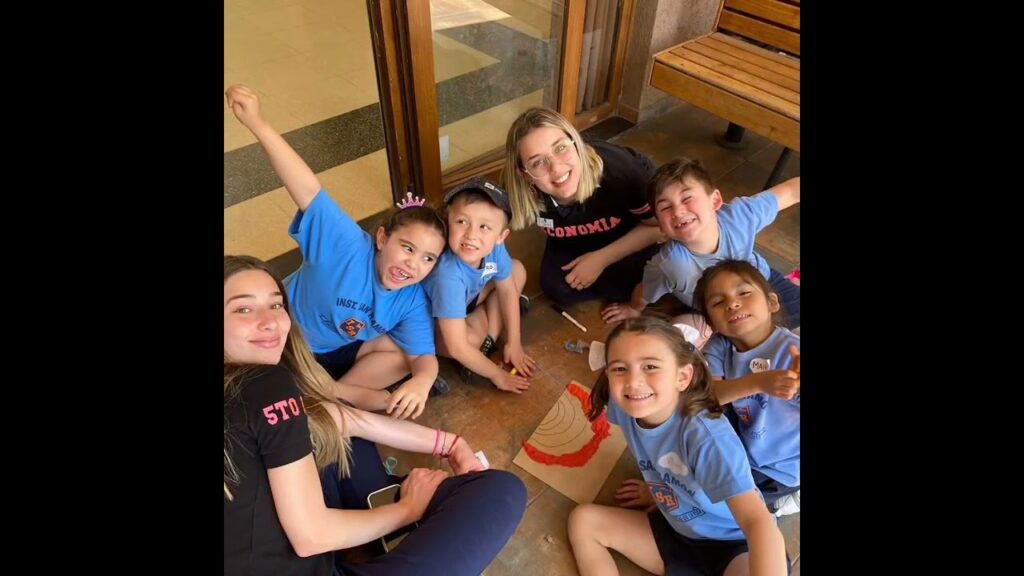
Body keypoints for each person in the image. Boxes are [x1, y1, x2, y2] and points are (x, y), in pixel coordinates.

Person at [224, 255, 527, 576]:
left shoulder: (249, 390)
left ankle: (378, 512)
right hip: (315, 552)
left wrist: (449, 444)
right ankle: (388, 514)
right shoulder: (266, 383)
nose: (271, 321)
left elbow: (340, 418)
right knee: (502, 492)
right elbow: (312, 536)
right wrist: (408, 509)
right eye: (243, 309)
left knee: (334, 429)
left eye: (275, 305)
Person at [227, 84, 448, 420]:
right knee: (268, 392)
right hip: (284, 346)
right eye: (407, 247)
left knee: (405, 357)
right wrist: (258, 123)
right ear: (382, 238)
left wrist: (423, 380)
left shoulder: (412, 298)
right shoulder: (346, 244)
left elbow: (424, 356)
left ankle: (330, 395)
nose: (413, 263)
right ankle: (330, 397)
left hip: (336, 353)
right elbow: (306, 188)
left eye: (428, 258)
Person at [568, 316, 787, 576]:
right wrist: (663, 493)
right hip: (676, 529)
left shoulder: (708, 439)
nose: (633, 381)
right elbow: (666, 461)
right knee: (583, 521)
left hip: (734, 545)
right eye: (619, 369)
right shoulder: (624, 405)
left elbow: (759, 524)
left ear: (682, 377)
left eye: (650, 366)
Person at [601, 157, 800, 336]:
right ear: (660, 226)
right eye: (665, 207)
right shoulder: (671, 264)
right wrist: (634, 308)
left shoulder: (740, 216)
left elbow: (790, 192)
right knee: (691, 342)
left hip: (762, 280)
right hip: (710, 309)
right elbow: (645, 290)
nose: (678, 211)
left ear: (715, 200)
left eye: (687, 198)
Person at [502, 107, 663, 307]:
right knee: (556, 287)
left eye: (560, 148)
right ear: (524, 174)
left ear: (576, 142)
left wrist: (601, 259)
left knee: (637, 279)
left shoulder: (620, 171)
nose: (556, 168)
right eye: (538, 163)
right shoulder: (517, 192)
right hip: (577, 232)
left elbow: (659, 227)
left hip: (630, 225)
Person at [694, 259, 800, 516]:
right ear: (711, 322)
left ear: (772, 303)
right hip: (745, 445)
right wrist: (758, 382)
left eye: (743, 293)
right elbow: (709, 397)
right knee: (693, 430)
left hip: (782, 468)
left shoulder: (793, 350)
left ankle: (782, 504)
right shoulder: (719, 346)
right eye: (718, 302)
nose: (732, 304)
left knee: (722, 509)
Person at [421, 177, 536, 392]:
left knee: (516, 270)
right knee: (468, 341)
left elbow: (507, 291)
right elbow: (456, 346)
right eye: (462, 222)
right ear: (447, 221)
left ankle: (487, 341)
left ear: (501, 236)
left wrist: (514, 342)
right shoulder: (447, 274)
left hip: (467, 298)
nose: (471, 235)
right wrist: (497, 375)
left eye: (484, 227)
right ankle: (482, 345)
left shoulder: (494, 248)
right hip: (435, 322)